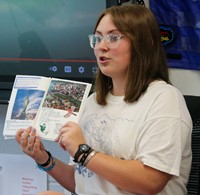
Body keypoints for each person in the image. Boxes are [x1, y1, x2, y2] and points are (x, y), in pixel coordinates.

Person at [15, 4, 192, 195]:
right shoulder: (92, 102)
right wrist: (43, 159)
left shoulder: (164, 98)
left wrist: (83, 152)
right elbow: (82, 183)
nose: (101, 46)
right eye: (97, 38)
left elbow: (150, 181)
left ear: (142, 43)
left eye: (113, 37)